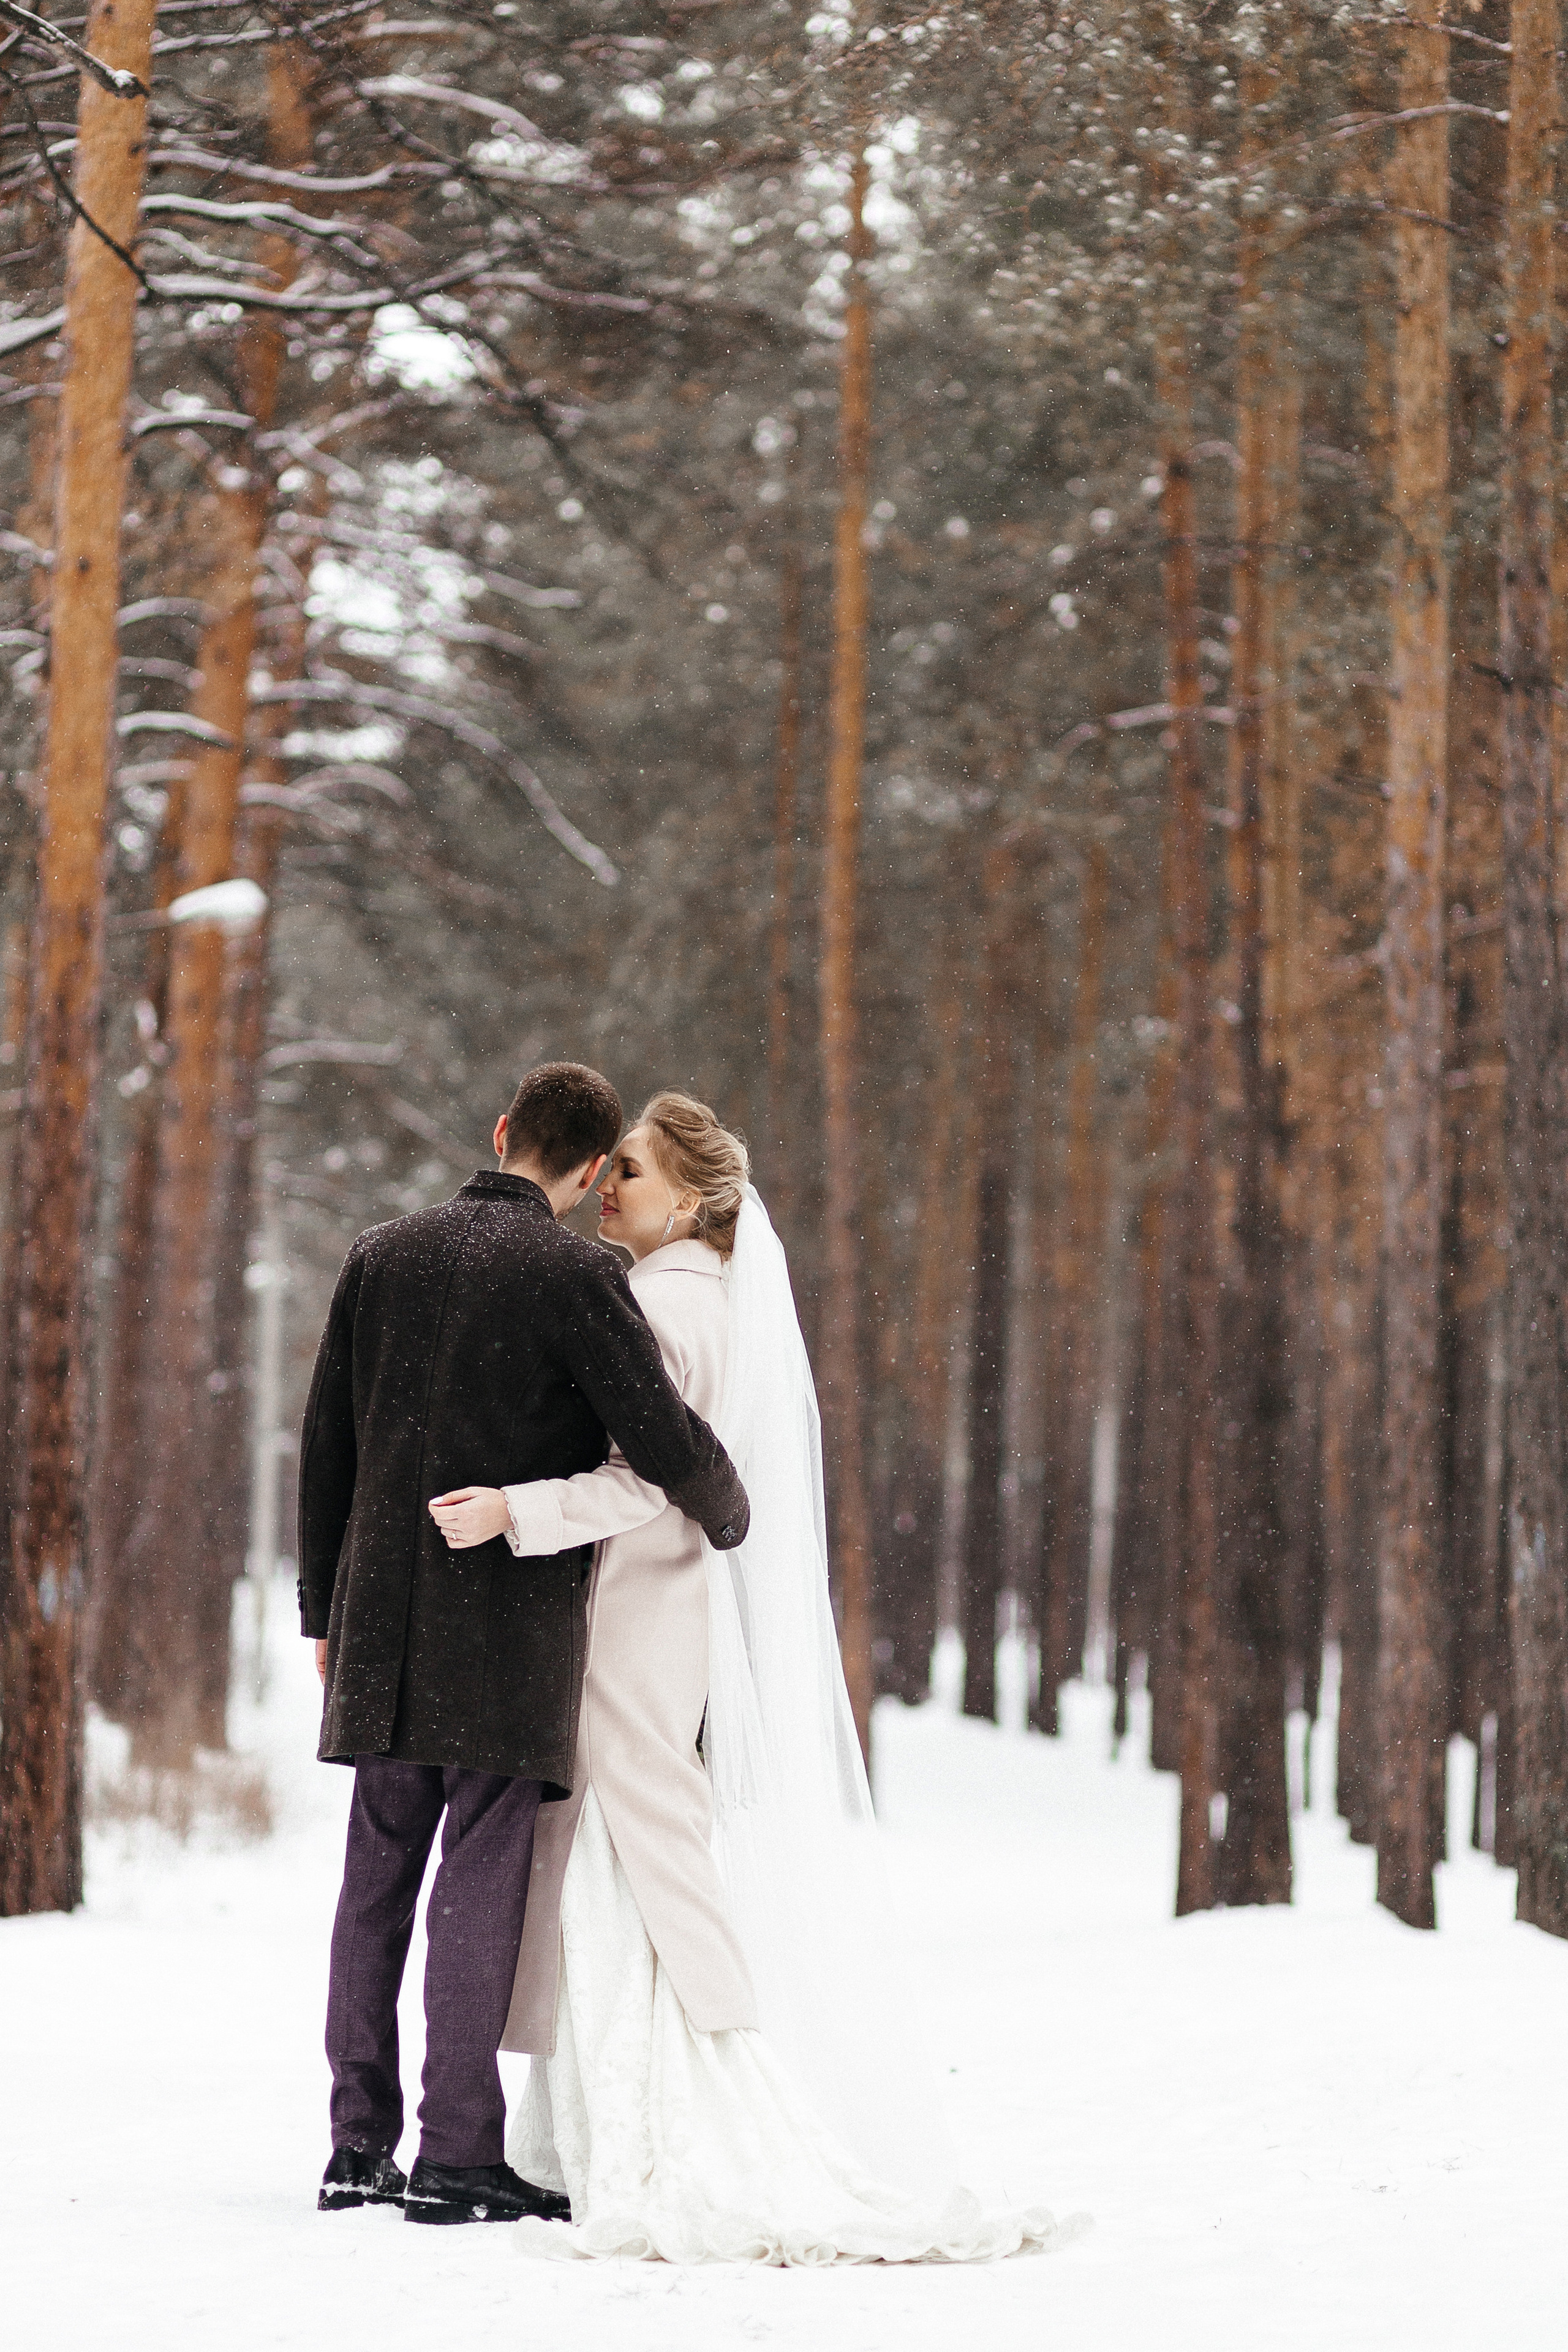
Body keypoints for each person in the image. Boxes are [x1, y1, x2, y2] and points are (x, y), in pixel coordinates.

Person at [431, 1092, 1058, 2264]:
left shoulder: (663, 1306)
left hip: (630, 1612)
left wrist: (520, 1510)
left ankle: (668, 2125)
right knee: (627, 1849)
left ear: (691, 1200)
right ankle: (605, 2129)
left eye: (631, 1171)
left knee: (628, 1850)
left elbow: (649, 1478)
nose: (606, 1187)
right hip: (653, 1612)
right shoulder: (699, 1298)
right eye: (609, 1168)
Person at [298, 1063, 750, 2227]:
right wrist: (728, 1505)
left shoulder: (379, 1254)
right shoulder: (579, 1276)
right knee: (478, 1883)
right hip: (502, 1635)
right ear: (594, 1170)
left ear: (501, 1131)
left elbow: (326, 1446)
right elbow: (658, 1436)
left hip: (378, 1625)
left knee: (374, 1885)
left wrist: (321, 1613)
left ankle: (357, 2146)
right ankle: (457, 2156)